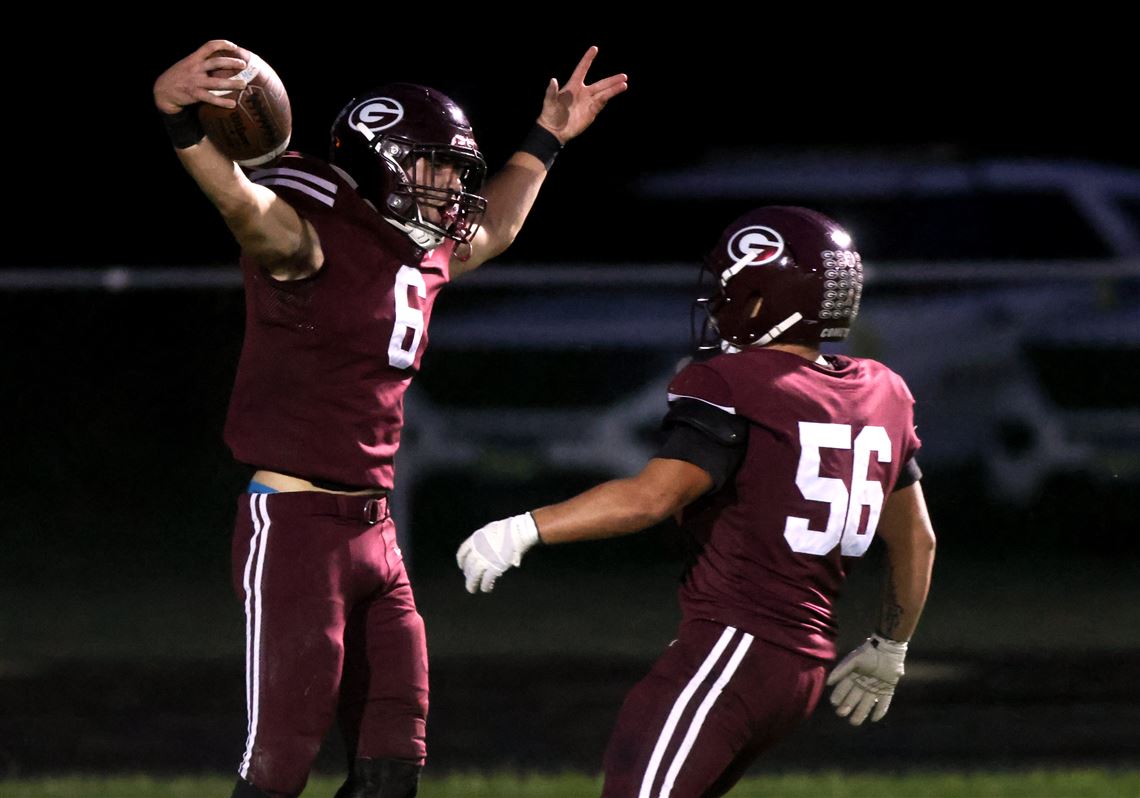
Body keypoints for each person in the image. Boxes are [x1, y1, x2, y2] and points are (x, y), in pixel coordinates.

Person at [153, 39, 627, 798]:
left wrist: (547, 137)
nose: (453, 186)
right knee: (279, 765)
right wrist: (179, 120)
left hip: (375, 532)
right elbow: (242, 202)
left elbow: (499, 225)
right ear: (382, 162)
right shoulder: (307, 241)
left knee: (392, 764)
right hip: (297, 528)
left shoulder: (420, 251)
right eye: (435, 167)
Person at [456, 206, 937, 798]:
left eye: (732, 287)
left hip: (737, 648)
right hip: (800, 665)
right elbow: (917, 538)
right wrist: (891, 646)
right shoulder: (883, 391)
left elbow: (650, 498)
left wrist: (526, 527)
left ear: (762, 296)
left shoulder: (735, 382)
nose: (719, 301)